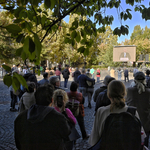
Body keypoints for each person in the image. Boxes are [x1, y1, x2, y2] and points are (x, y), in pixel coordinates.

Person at [89, 80, 145, 146]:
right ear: (124, 94)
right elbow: (141, 137)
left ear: (109, 95)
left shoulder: (101, 111)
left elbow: (94, 139)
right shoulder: (132, 111)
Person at [14, 84, 71, 150]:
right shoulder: (58, 117)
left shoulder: (21, 117)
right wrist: (63, 112)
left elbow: (18, 142)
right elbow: (67, 134)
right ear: (52, 100)